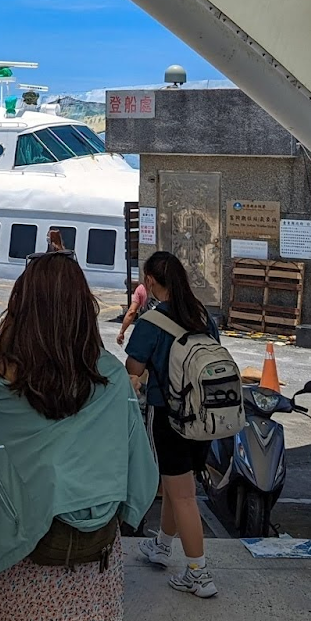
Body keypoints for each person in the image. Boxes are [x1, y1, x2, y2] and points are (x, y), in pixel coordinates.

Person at [0, 252, 157, 621]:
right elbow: (138, 463)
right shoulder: (108, 374)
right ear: (82, 308)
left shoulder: (7, 378)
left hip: (26, 547)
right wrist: (128, 511)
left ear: (23, 306)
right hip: (96, 549)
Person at [125, 250, 218, 599]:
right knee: (179, 486)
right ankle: (162, 546)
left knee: (181, 494)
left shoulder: (152, 321)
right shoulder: (202, 315)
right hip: (205, 416)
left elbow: (132, 370)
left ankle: (199, 573)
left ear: (149, 282)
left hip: (169, 415)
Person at [114, 279, 152, 347]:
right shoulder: (169, 287)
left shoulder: (141, 288)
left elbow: (131, 312)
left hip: (147, 328)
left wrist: (121, 332)